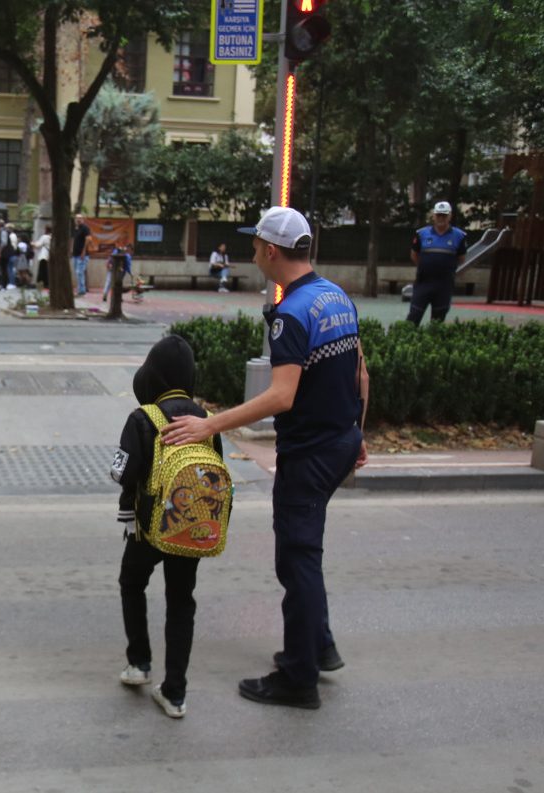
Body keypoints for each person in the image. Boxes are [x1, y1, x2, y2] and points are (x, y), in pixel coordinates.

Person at [161, 206, 369, 711]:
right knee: (304, 555)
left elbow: (281, 397)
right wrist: (357, 433)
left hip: (311, 453)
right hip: (339, 442)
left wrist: (208, 424)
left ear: (271, 251)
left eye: (255, 244)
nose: (252, 251)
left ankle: (299, 679)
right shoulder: (334, 296)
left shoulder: (292, 314)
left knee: (298, 561)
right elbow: (362, 373)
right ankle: (318, 647)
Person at [110, 336, 222, 719]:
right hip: (188, 529)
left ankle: (139, 663)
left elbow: (120, 471)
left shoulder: (144, 418)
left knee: (132, 583)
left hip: (147, 529)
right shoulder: (207, 420)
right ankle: (175, 693)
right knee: (181, 602)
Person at [407, 200, 468, 324]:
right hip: (423, 283)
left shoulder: (459, 236)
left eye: (444, 215)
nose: (441, 218)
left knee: (438, 320)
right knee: (414, 316)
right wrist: (426, 266)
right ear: (434, 216)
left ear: (450, 216)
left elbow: (461, 258)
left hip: (444, 285)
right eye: (439, 215)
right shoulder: (422, 234)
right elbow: (414, 255)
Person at [71, 214, 92, 296]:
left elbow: (88, 239)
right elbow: (73, 240)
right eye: (77, 218)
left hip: (82, 255)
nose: (78, 220)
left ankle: (81, 290)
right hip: (75, 254)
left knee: (79, 272)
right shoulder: (76, 229)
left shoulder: (85, 228)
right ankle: (80, 288)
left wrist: (84, 251)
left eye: (80, 218)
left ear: (83, 219)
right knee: (77, 272)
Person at [33, 224, 52, 289]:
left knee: (42, 270)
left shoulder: (44, 237)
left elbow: (38, 245)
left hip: (43, 255)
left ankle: (40, 283)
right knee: (46, 270)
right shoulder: (51, 237)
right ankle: (47, 283)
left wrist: (32, 243)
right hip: (49, 255)